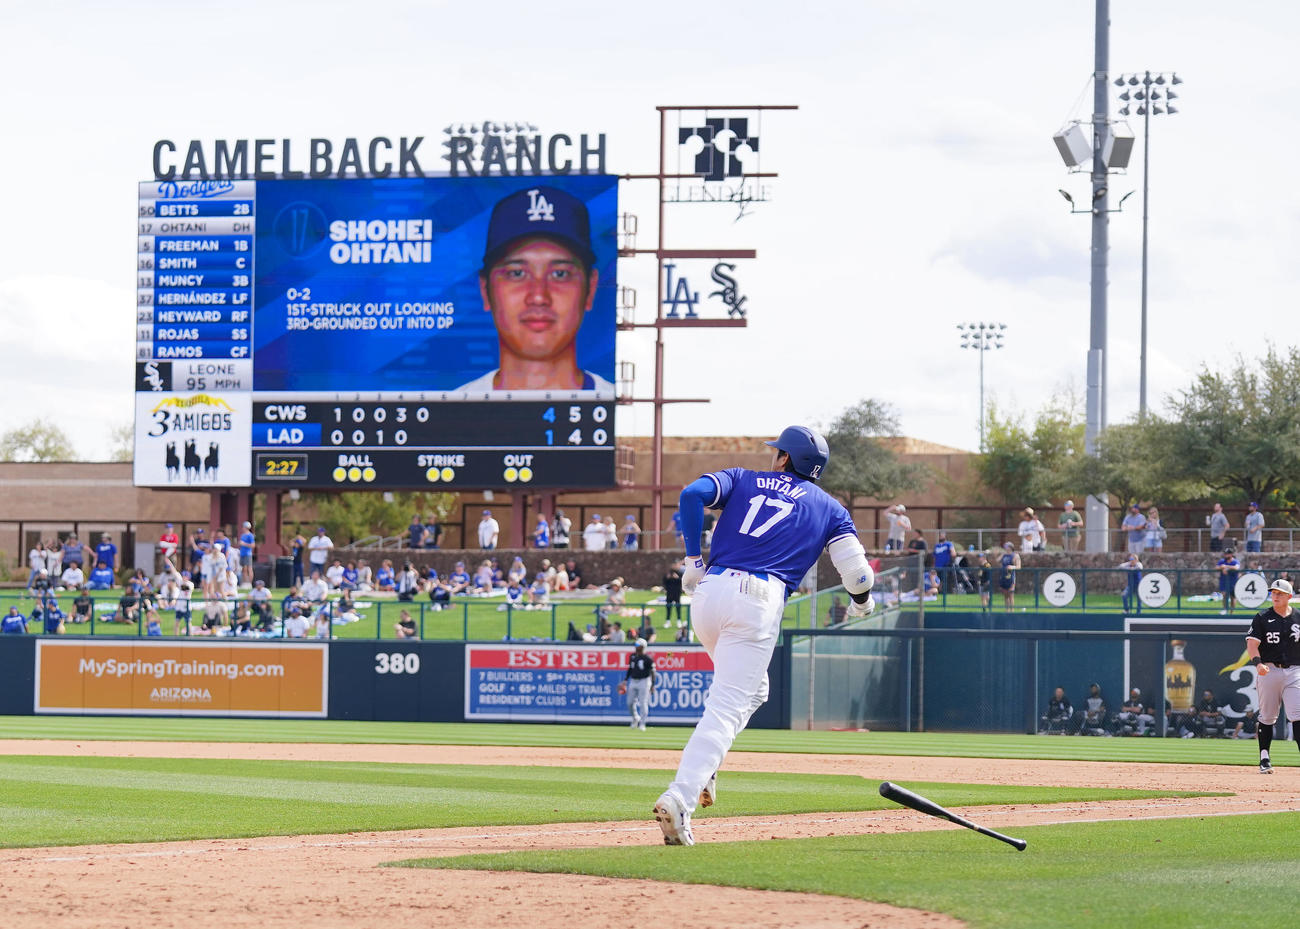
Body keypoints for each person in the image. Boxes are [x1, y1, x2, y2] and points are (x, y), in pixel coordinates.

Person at [653, 425, 875, 846]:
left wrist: (693, 559)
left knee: (755, 692)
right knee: (727, 705)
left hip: (709, 592)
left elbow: (689, 496)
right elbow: (858, 573)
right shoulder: (830, 508)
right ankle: (680, 797)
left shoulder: (742, 478)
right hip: (757, 599)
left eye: (777, 451)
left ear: (785, 458)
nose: (773, 456)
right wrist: (862, 603)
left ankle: (707, 769)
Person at [456, 185, 613, 394]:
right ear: (485, 290)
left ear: (590, 289)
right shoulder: (450, 411)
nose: (538, 296)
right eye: (517, 273)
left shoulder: (628, 413)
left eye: (560, 274)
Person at [1245, 578, 1300, 773]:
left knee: (1298, 714)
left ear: (1289, 597)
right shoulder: (1262, 617)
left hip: (1294, 670)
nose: (1275, 596)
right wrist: (1257, 663)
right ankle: (1264, 757)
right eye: (1273, 592)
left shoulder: (1298, 617)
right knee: (1268, 716)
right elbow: (1252, 645)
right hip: (1269, 670)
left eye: (1279, 593)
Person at [621, 638, 657, 731]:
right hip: (633, 680)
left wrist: (653, 685)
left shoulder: (647, 658)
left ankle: (642, 723)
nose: (636, 647)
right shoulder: (632, 656)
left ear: (642, 647)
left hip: (644, 681)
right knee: (629, 702)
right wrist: (625, 680)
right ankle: (636, 718)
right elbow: (630, 668)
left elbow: (653, 672)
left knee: (643, 703)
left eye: (638, 645)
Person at [1217, 548, 1240, 615]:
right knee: (1224, 595)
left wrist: (1226, 567)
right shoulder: (1222, 561)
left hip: (1233, 582)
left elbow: (1236, 567)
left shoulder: (1235, 561)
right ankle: (1225, 609)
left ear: (1231, 554)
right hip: (1224, 581)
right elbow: (1217, 567)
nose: (1225, 555)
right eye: (1225, 553)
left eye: (1227, 553)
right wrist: (1222, 567)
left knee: (1233, 597)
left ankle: (1231, 612)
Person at [998, 542, 1020, 611]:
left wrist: (1012, 567)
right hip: (1004, 576)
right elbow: (997, 561)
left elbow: (1018, 566)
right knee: (1005, 595)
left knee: (1011, 594)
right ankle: (1007, 610)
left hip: (1011, 577)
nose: (1005, 548)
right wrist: (1002, 554)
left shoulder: (1015, 555)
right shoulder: (1004, 555)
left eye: (1007, 547)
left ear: (1010, 547)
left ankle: (1012, 611)